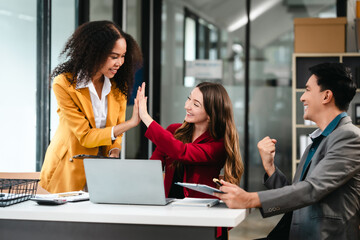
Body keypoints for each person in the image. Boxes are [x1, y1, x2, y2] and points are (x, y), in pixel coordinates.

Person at [214, 62, 360, 239]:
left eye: (307, 90)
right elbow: (298, 195)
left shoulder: (349, 137)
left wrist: (249, 199)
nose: (302, 97)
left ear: (326, 96)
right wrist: (270, 167)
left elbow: (312, 189)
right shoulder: (320, 139)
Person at [40, 21, 143, 193]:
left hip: (102, 173)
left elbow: (115, 131)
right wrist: (132, 122)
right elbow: (86, 136)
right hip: (67, 168)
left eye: (123, 56)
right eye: (114, 56)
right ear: (95, 53)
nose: (120, 62)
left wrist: (114, 152)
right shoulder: (64, 84)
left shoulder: (118, 88)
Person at [137, 82, 244, 199]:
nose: (187, 106)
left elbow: (181, 152)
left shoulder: (218, 144)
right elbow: (153, 166)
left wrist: (146, 117)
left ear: (210, 115)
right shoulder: (174, 131)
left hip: (201, 209)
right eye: (189, 99)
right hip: (169, 206)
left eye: (196, 104)